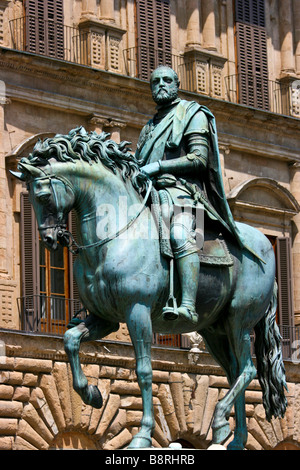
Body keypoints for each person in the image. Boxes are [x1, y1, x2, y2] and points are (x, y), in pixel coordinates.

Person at [135, 65, 259, 324]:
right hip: (151, 195)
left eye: (167, 80)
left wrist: (158, 167)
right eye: (155, 81)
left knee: (180, 234)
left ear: (177, 84)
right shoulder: (149, 127)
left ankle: (189, 304)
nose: (161, 85)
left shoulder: (193, 114)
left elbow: (198, 159)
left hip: (185, 194)